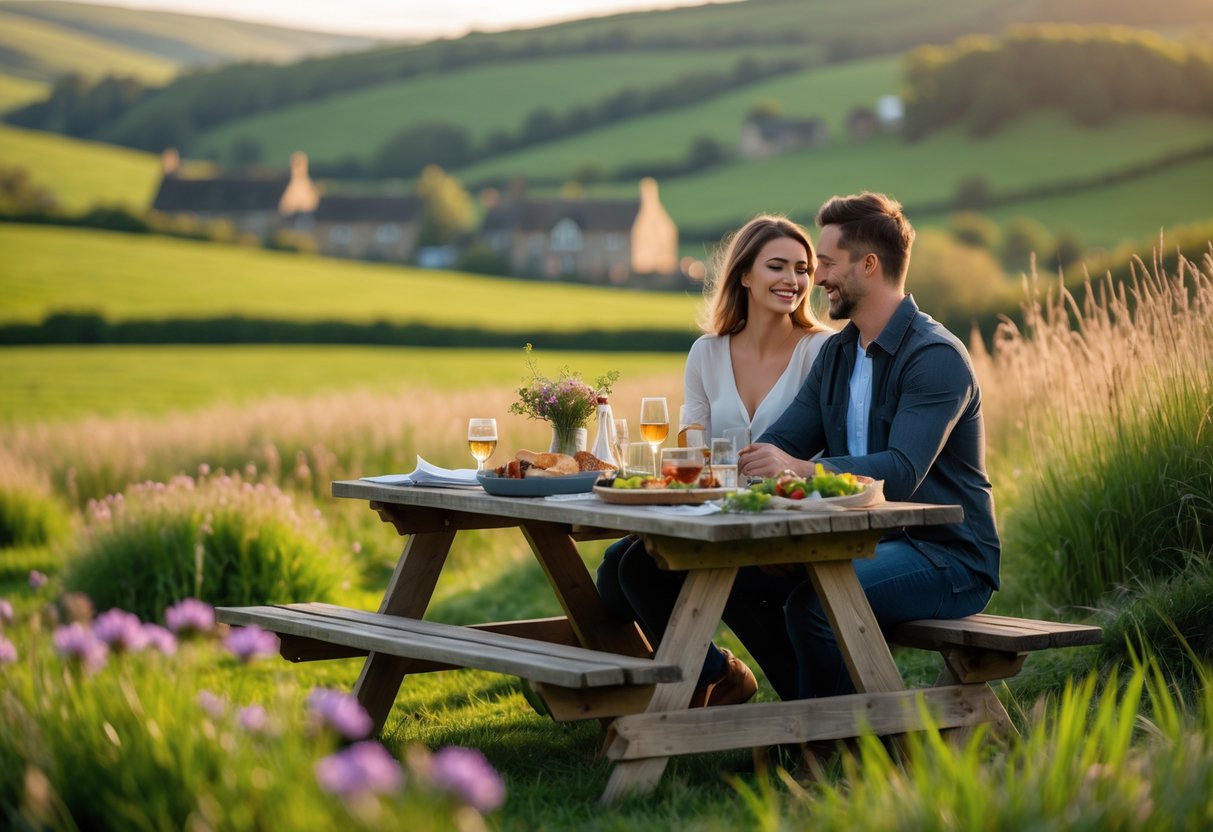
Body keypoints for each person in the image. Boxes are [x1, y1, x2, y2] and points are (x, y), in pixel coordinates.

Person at [738, 191, 1000, 699]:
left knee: (815, 602)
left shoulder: (935, 357)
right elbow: (779, 443)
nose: (817, 278)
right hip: (864, 543)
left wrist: (799, 469)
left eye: (829, 263)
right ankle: (814, 717)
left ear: (870, 265)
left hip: (948, 556)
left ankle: (836, 742)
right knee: (739, 581)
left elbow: (899, 471)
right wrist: (764, 466)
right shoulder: (838, 353)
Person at [597, 214, 833, 705]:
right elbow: (693, 451)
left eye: (802, 268)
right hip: (722, 521)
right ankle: (706, 672)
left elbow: (831, 453)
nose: (793, 280)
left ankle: (709, 678)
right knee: (616, 567)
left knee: (635, 567)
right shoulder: (707, 352)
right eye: (777, 266)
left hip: (791, 524)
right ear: (744, 274)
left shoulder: (822, 350)